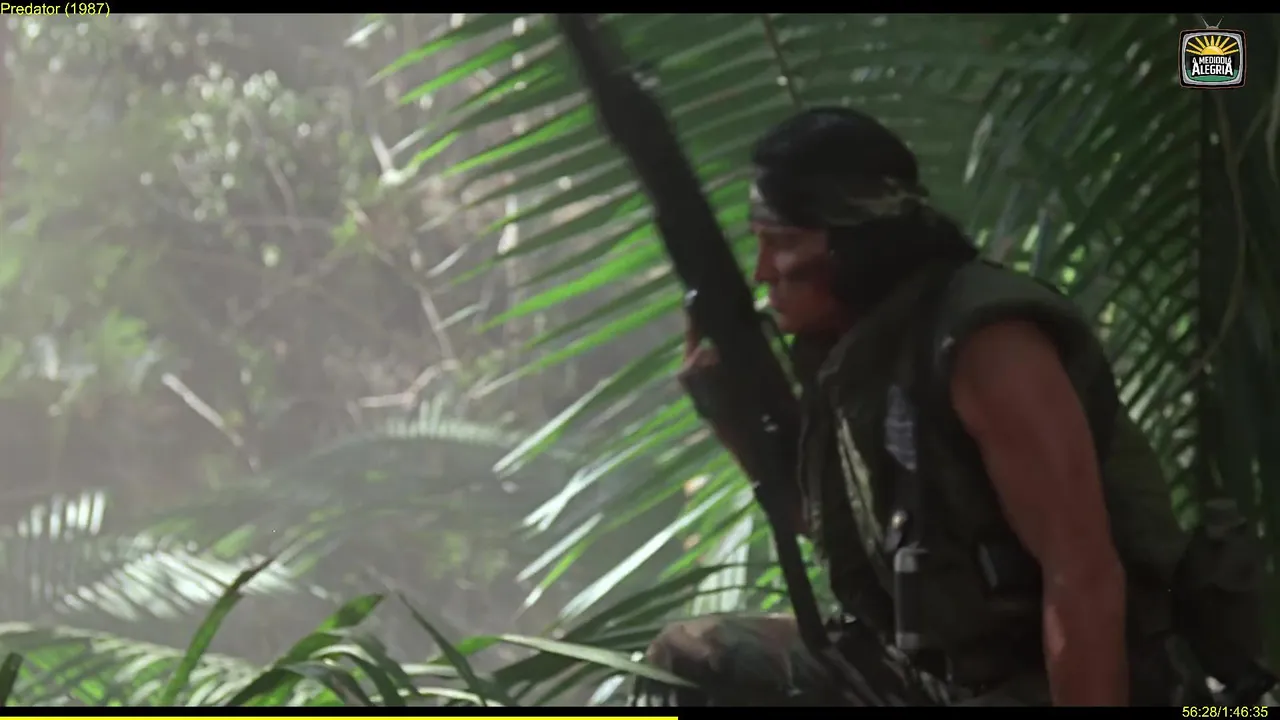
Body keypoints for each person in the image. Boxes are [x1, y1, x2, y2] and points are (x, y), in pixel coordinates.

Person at [630, 107, 1210, 707]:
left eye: (782, 244)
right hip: (938, 677)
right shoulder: (865, 353)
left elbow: (1082, 576)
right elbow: (830, 528)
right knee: (694, 661)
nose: (761, 272)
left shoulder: (986, 345)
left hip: (1063, 684)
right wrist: (732, 416)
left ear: (854, 243)